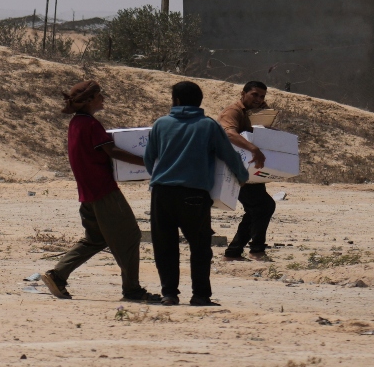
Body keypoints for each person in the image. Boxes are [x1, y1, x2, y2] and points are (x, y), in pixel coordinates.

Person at [40, 81, 160, 303]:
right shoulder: (91, 125)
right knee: (130, 235)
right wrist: (150, 163)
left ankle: (58, 275)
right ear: (88, 101)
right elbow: (112, 150)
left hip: (88, 192)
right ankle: (132, 290)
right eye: (99, 96)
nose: (102, 99)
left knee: (96, 238)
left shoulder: (77, 123)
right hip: (103, 191)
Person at [144, 81, 249, 306]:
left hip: (162, 192)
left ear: (177, 100)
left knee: (165, 245)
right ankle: (200, 295)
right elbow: (230, 155)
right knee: (200, 246)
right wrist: (242, 176)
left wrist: (161, 175)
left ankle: (169, 293)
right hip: (194, 194)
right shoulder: (208, 126)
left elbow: (149, 158)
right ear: (199, 101)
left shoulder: (160, 124)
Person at [218, 81, 276, 262]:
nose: (259, 99)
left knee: (256, 209)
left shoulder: (260, 111)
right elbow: (228, 133)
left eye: (262, 96)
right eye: (255, 95)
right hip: (234, 168)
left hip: (251, 169)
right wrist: (254, 149)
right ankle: (256, 250)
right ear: (243, 94)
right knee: (263, 206)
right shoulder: (233, 111)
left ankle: (234, 252)